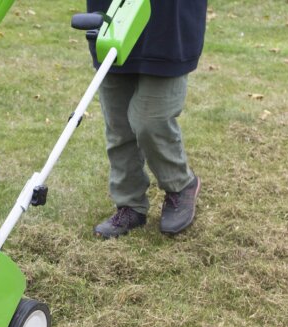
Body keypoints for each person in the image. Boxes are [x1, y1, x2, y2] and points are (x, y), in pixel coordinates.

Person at [86, 0, 208, 238]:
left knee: (150, 120)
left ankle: (181, 184)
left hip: (168, 23)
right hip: (113, 18)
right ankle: (130, 205)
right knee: (118, 125)